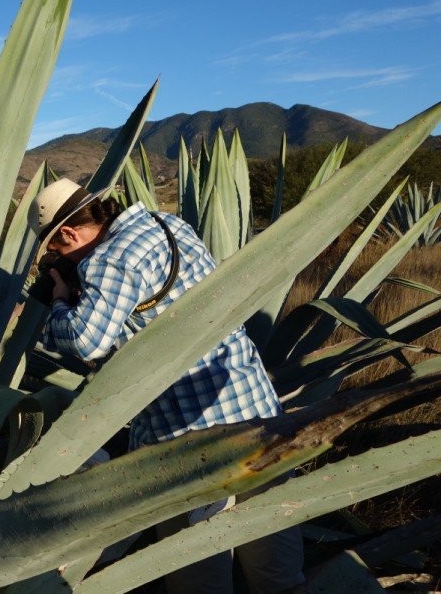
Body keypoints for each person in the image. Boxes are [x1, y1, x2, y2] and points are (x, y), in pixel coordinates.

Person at [29, 178, 306, 594]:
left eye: (58, 250)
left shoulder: (108, 260)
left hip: (186, 443)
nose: (61, 259)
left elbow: (87, 340)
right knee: (276, 566)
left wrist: (61, 300)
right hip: (254, 411)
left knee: (198, 575)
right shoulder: (166, 224)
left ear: (68, 232)